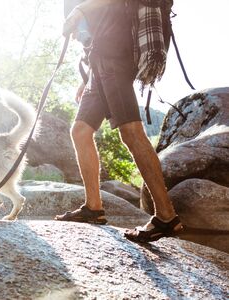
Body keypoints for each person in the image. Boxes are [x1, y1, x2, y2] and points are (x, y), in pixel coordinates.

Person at [54, 0, 183, 242]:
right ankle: (93, 207)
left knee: (131, 132)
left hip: (116, 56)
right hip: (99, 62)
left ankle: (167, 216)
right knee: (80, 131)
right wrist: (88, 76)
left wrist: (80, 9)